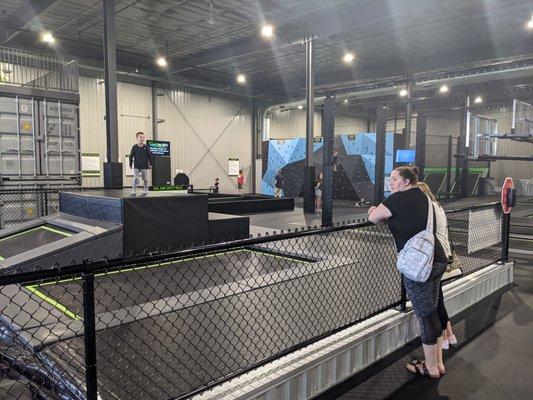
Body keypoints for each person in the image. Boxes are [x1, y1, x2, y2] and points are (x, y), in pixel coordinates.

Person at [368, 166, 447, 378]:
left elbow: (374, 217)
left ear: (405, 182)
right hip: (436, 257)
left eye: (394, 179)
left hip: (419, 263)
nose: (391, 183)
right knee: (432, 310)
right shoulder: (423, 197)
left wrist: (374, 211)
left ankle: (430, 368)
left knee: (425, 315)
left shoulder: (397, 199)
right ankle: (438, 363)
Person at [416, 181, 458, 350]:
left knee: (435, 302)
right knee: (439, 298)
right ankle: (449, 334)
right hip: (444, 254)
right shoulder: (438, 206)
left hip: (435, 256)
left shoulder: (428, 209)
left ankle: (443, 338)